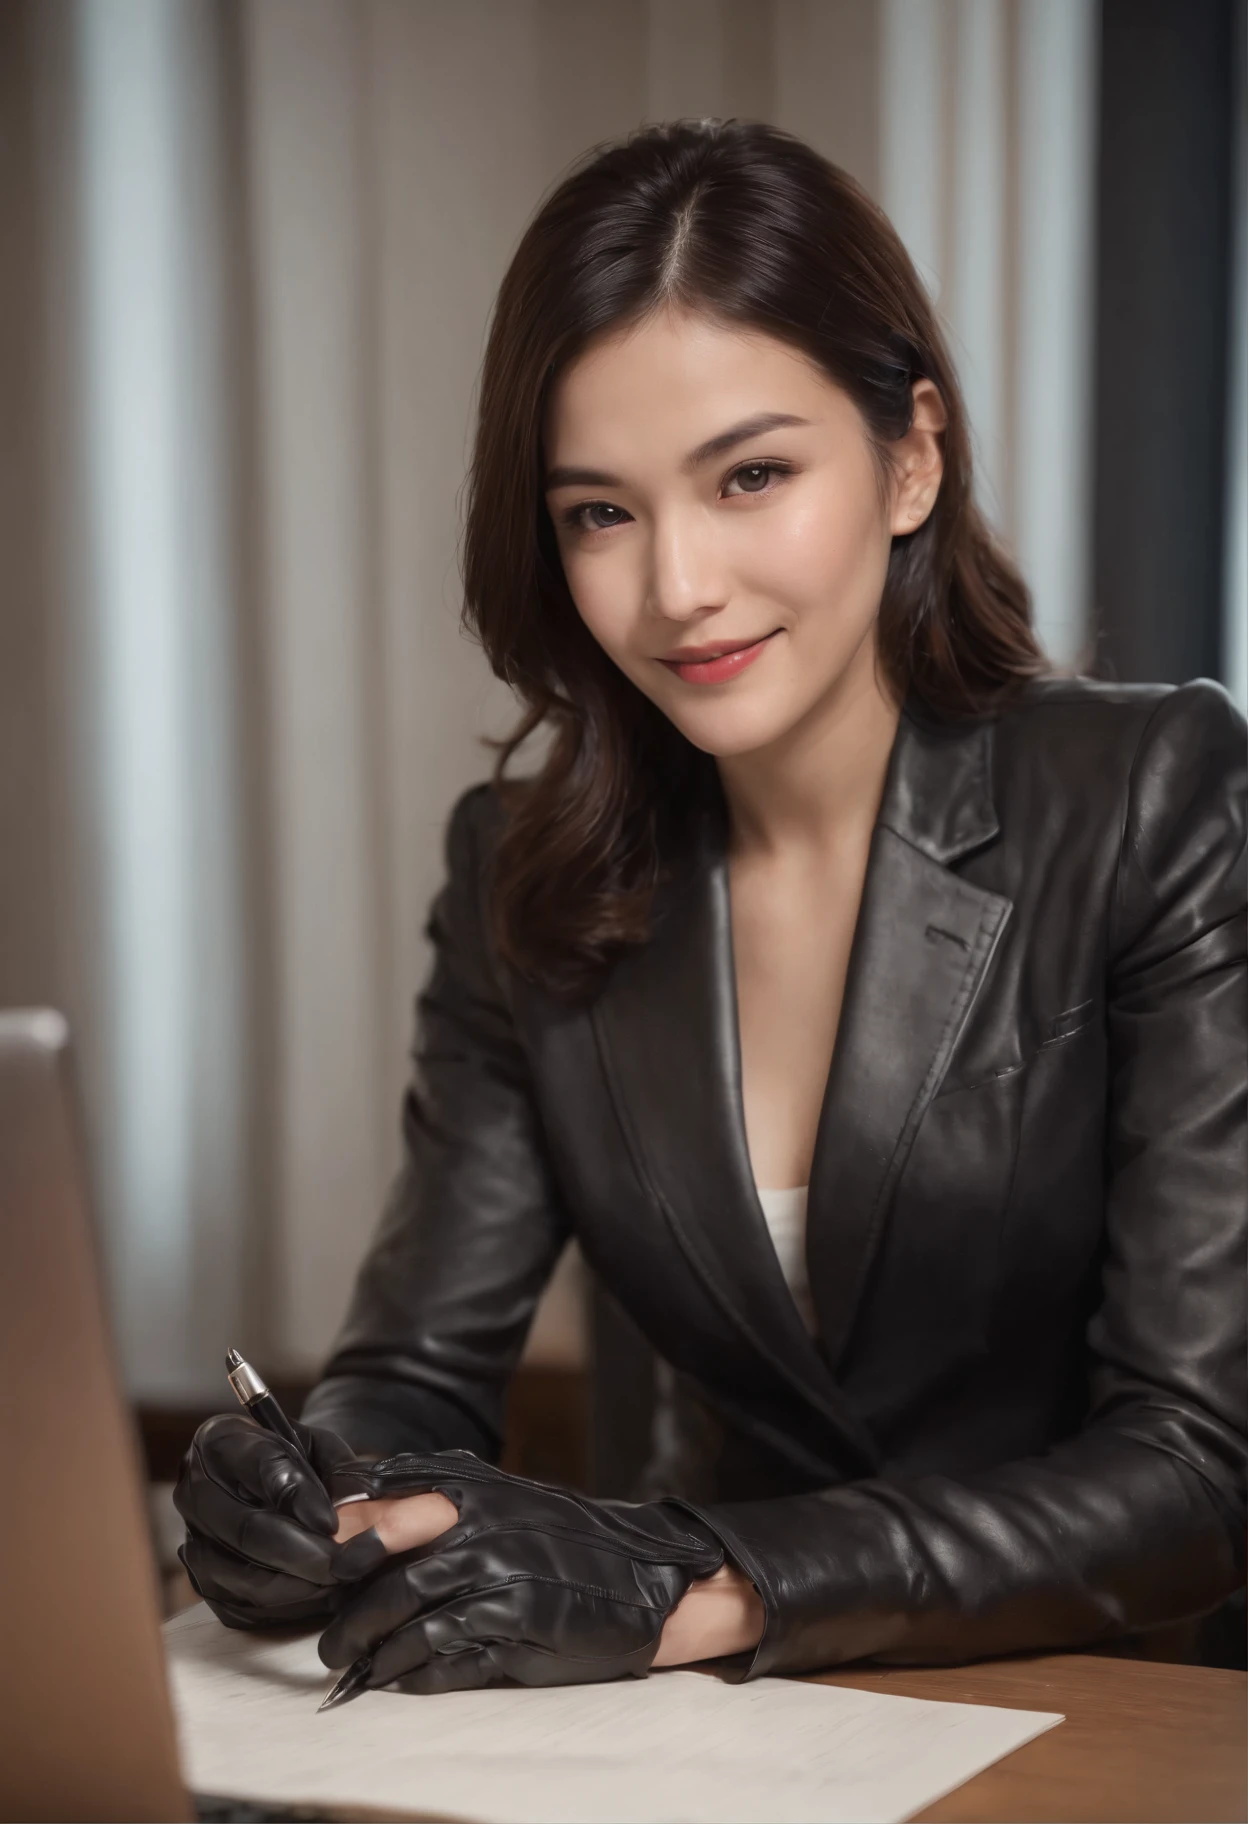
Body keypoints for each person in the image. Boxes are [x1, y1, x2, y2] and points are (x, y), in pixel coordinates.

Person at [175, 119, 1246, 1695]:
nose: (677, 584)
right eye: (600, 512)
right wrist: (301, 1495)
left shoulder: (1159, 793)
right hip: (697, 1742)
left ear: (911, 457)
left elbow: (1201, 1462)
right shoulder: (518, 872)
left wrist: (701, 1582)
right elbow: (416, 1370)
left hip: (1097, 1709)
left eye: (750, 475)